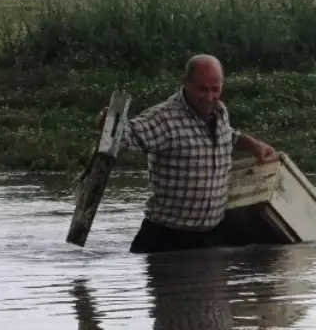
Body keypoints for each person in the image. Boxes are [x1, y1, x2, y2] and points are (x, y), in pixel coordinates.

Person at [99, 54, 276, 254]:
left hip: (212, 234)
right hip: (166, 238)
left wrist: (253, 144)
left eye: (215, 89)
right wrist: (112, 126)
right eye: (202, 89)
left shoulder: (219, 111)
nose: (209, 97)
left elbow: (227, 135)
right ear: (185, 82)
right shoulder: (164, 118)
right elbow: (132, 134)